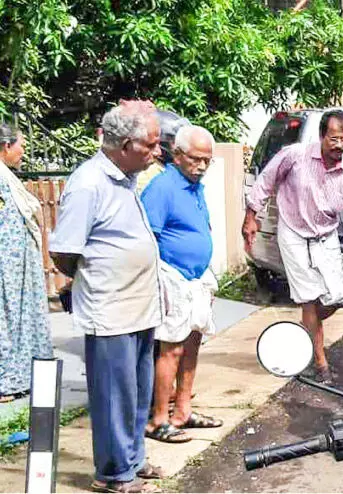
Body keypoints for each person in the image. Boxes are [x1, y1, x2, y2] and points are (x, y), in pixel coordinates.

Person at [50, 101, 165, 492]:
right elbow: (64, 251)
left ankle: (133, 459)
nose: (157, 151)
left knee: (136, 394)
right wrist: (94, 280)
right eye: (150, 145)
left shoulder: (126, 178)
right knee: (114, 396)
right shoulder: (89, 183)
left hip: (140, 308)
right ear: (124, 144)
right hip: (110, 309)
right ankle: (114, 474)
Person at [243, 110, 343, 383]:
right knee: (309, 297)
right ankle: (320, 363)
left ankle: (304, 329)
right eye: (334, 139)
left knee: (339, 296)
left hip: (325, 236)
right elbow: (265, 181)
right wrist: (251, 216)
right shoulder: (295, 156)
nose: (339, 145)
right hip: (294, 234)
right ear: (322, 136)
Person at [141, 126, 222, 444]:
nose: (201, 166)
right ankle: (159, 418)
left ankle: (182, 411)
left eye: (207, 161)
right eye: (196, 159)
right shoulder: (163, 187)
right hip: (171, 275)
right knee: (171, 349)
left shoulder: (195, 185)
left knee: (192, 343)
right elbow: (149, 237)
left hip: (197, 276)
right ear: (177, 155)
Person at [0, 124, 53, 402]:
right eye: (20, 145)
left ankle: (24, 377)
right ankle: (6, 381)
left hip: (18, 265)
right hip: (7, 267)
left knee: (22, 317)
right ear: (6, 146)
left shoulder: (8, 177)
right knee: (7, 319)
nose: (23, 152)